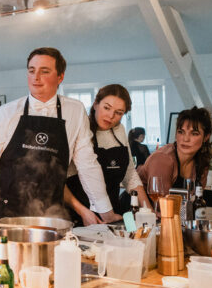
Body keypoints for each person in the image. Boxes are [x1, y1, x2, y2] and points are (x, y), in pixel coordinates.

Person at [0, 47, 117, 228]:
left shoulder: (74, 110)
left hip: (52, 214)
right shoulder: (7, 112)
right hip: (6, 214)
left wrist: (106, 211)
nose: (36, 77)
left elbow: (87, 164)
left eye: (44, 71)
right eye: (31, 71)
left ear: (60, 77)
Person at [64, 85, 152, 226]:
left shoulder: (119, 129)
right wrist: (82, 211)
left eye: (119, 112)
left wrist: (149, 212)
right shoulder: (78, 129)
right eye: (107, 108)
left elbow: (130, 175)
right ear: (95, 104)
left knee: (136, 240)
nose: (111, 116)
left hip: (114, 213)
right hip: (82, 217)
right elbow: (59, 182)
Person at [138, 107, 212, 196]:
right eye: (181, 132)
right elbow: (162, 203)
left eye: (194, 134)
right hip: (133, 207)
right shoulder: (162, 159)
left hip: (171, 209)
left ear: (206, 137)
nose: (186, 139)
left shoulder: (202, 162)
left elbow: (196, 199)